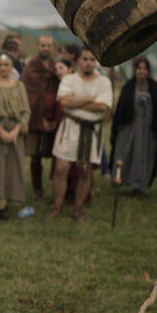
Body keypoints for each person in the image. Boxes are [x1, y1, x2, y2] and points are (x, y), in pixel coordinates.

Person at [46, 48, 113, 220]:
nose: (89, 62)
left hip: (91, 131)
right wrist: (90, 99)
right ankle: (57, 207)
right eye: (85, 59)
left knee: (85, 172)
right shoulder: (69, 79)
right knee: (61, 169)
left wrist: (76, 102)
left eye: (92, 59)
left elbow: (103, 107)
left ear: (96, 61)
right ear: (78, 60)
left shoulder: (104, 82)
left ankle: (78, 209)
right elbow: (64, 101)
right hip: (70, 128)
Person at [0, 52, 30, 219]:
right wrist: (0, 131)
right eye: (0, 65)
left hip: (15, 133)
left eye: (6, 65)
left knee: (11, 169)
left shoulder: (19, 86)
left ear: (12, 66)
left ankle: (5, 206)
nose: (3, 68)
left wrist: (16, 131)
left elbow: (25, 111)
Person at [110, 57, 157, 194]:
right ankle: (121, 179)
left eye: (145, 68)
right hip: (129, 129)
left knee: (143, 156)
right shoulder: (128, 87)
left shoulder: (155, 88)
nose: (142, 71)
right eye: (139, 68)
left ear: (149, 71)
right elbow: (121, 109)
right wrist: (117, 128)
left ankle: (139, 185)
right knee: (124, 153)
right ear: (135, 70)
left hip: (147, 131)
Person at [22, 35, 59, 200]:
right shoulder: (31, 66)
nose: (46, 48)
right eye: (43, 45)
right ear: (37, 46)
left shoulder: (55, 66)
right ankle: (37, 190)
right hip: (36, 117)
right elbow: (32, 93)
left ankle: (59, 189)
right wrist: (41, 115)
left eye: (49, 46)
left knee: (57, 155)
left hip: (54, 116)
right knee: (35, 156)